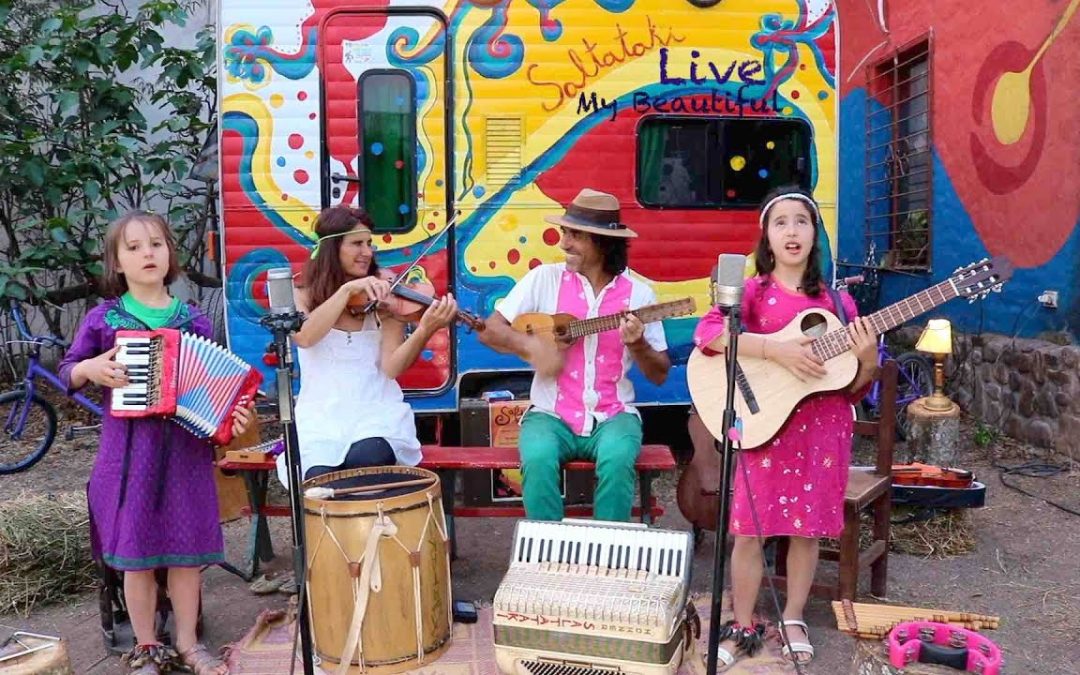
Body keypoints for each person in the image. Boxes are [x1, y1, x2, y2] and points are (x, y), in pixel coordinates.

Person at [59, 210, 255, 675]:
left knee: (186, 559)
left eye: (156, 244)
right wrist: (90, 370)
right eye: (134, 247)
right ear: (117, 264)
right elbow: (68, 369)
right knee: (137, 560)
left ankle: (188, 644)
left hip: (185, 457)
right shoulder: (105, 320)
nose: (147, 253)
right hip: (127, 461)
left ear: (170, 256)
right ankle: (147, 647)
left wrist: (233, 413)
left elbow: (215, 395)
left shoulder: (193, 322)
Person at [691, 186, 879, 668]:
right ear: (766, 238)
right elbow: (709, 334)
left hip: (821, 431)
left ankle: (793, 616)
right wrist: (774, 351)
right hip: (763, 424)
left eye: (802, 221)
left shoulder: (840, 306)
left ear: (815, 235)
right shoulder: (751, 293)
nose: (791, 231)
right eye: (781, 223)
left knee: (806, 530)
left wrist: (867, 359)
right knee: (750, 530)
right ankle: (744, 621)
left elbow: (853, 388)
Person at [478, 188, 671, 522]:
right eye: (566, 232)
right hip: (549, 412)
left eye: (575, 235)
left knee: (618, 457)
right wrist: (533, 347)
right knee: (536, 459)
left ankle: (608, 557)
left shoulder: (640, 294)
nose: (564, 242)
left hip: (613, 414)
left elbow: (660, 373)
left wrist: (638, 344)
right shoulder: (544, 279)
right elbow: (490, 328)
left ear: (603, 242)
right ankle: (549, 555)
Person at [275, 205, 458, 488]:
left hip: (376, 414)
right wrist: (347, 290)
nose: (368, 251)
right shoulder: (300, 294)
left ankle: (373, 530)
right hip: (321, 418)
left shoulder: (384, 294)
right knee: (319, 481)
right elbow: (305, 337)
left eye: (369, 243)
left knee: (368, 459)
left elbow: (391, 367)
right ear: (332, 248)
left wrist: (424, 330)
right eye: (357, 243)